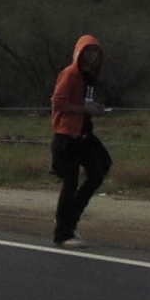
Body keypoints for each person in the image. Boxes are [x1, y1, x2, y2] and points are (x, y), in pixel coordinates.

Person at [49, 34, 111, 248]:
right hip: (67, 135)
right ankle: (63, 232)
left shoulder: (89, 76)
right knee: (71, 182)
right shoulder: (70, 74)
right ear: (79, 52)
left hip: (84, 133)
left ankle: (70, 217)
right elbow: (58, 103)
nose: (92, 55)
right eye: (88, 50)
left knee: (101, 167)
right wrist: (85, 109)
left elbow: (82, 103)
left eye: (95, 51)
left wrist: (94, 109)